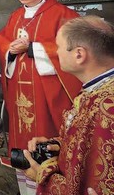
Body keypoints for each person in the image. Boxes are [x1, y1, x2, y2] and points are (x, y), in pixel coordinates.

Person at [0, 0, 82, 195]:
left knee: (46, 140)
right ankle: (26, 190)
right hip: (20, 93)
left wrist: (33, 47)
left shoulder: (63, 15)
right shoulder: (15, 16)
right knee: (22, 143)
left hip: (47, 96)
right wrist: (10, 50)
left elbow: (74, 49)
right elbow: (2, 39)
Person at [20, 16, 113, 195]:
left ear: (79, 54)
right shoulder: (95, 89)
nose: (55, 52)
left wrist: (43, 174)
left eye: (59, 47)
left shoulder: (106, 106)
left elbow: (98, 185)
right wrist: (59, 144)